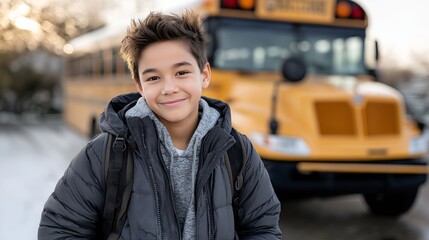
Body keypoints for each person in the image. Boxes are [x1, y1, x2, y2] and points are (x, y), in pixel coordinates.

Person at [38, 10, 281, 239]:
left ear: (204, 74)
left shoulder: (236, 150)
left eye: (182, 72)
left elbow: (263, 225)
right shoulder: (105, 154)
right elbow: (60, 228)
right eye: (154, 77)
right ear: (139, 86)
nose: (169, 88)